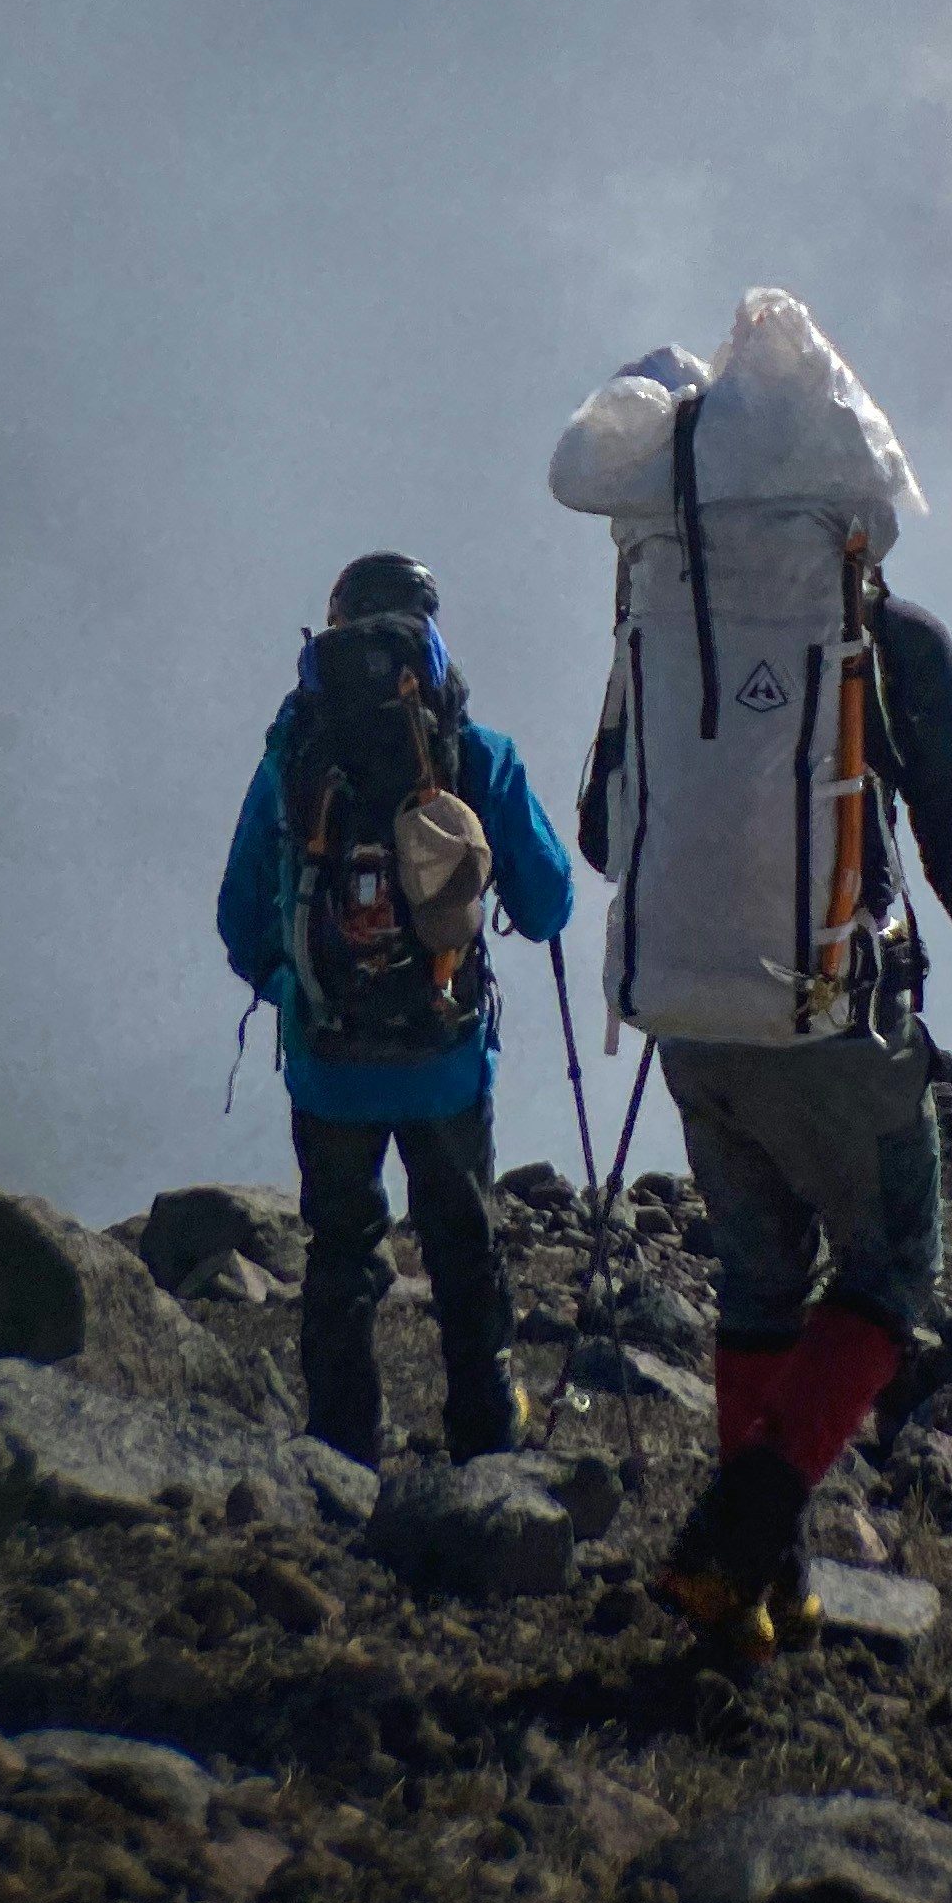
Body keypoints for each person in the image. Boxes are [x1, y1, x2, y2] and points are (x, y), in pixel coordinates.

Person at [560, 303, 952, 1654]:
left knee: (759, 1283)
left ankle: (764, 1591)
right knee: (891, 1270)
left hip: (691, 1016)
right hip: (833, 1016)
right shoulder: (895, 645)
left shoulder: (663, 623)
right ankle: (742, 1534)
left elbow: (596, 830)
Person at [217, 551, 573, 1466]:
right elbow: (548, 905)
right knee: (463, 1240)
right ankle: (487, 1432)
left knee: (341, 1250)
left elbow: (238, 916)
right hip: (445, 1060)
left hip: (329, 1066)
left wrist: (305, 988)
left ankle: (341, 1447)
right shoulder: (475, 754)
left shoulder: (294, 756)